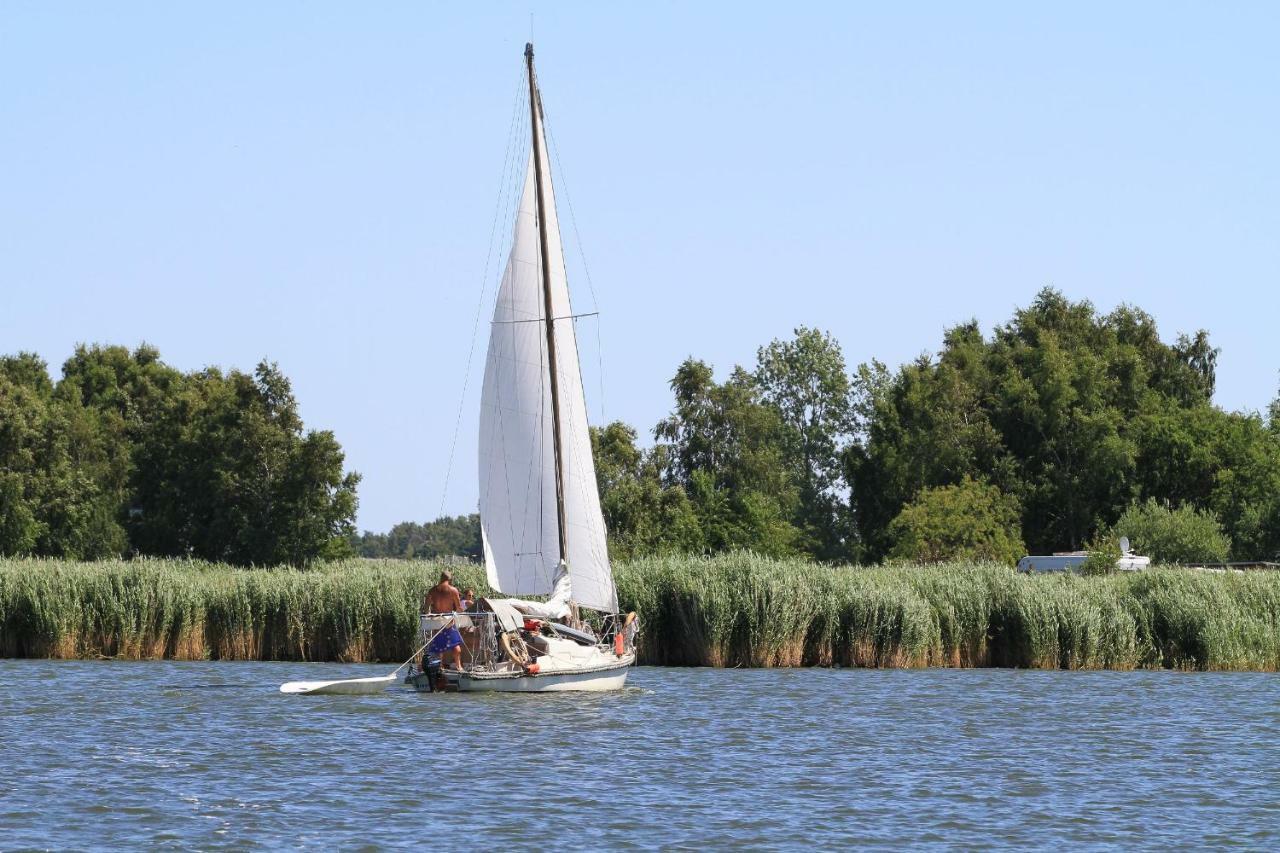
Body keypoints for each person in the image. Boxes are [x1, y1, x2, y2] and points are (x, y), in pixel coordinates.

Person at [424, 572, 464, 671]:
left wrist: (429, 615)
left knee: (438, 646)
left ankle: (440, 666)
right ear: (450, 579)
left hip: (437, 621)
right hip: (449, 621)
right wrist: (460, 612)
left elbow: (426, 607)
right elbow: (459, 608)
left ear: (441, 578)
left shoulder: (432, 590)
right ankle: (458, 666)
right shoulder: (453, 590)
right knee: (455, 646)